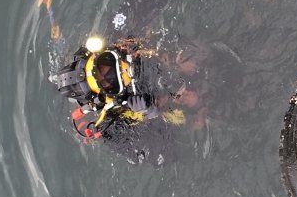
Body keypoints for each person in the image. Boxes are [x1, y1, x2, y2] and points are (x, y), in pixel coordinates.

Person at [48, 35, 197, 141]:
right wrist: (150, 112)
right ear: (104, 97)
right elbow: (163, 144)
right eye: (109, 81)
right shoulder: (115, 119)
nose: (121, 71)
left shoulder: (123, 46)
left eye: (106, 65)